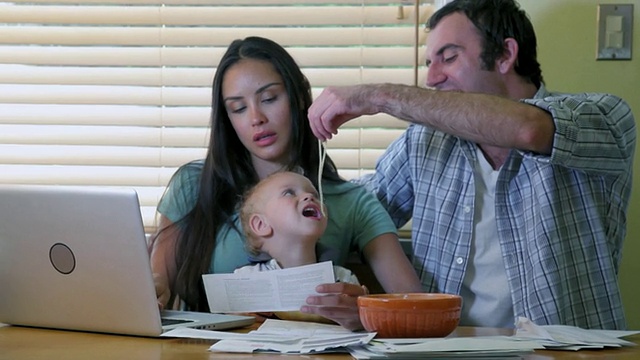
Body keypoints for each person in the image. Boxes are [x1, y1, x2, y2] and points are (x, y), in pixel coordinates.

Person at [307, 0, 635, 330]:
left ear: (506, 55)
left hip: (566, 353)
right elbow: (354, 214)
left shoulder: (605, 116)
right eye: (428, 62)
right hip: (442, 350)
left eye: (449, 57)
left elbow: (529, 129)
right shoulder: (423, 141)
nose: (432, 78)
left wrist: (379, 96)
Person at [148, 36, 422, 331]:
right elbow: (156, 285)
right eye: (238, 108)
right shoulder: (193, 184)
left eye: (269, 99)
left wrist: (364, 315)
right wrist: (150, 292)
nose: (256, 118)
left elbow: (418, 305)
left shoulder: (353, 202)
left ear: (299, 97)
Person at [236, 170, 361, 323]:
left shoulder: (344, 280)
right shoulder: (245, 280)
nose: (309, 197)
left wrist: (364, 313)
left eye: (315, 195)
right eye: (289, 193)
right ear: (261, 224)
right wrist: (237, 316)